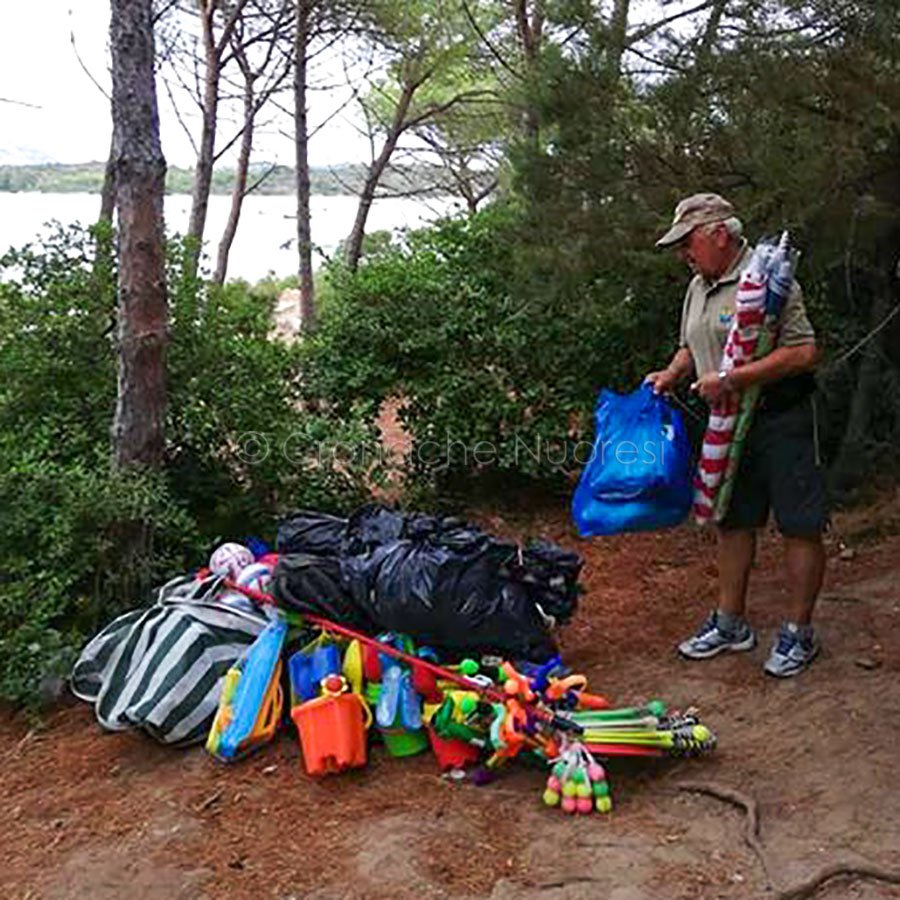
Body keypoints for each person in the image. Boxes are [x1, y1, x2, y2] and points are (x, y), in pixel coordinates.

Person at [646, 192, 828, 678]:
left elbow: (804, 352)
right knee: (733, 519)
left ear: (720, 235)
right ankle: (730, 624)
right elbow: (693, 343)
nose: (684, 253)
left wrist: (733, 380)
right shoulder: (698, 284)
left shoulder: (767, 281)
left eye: (689, 242)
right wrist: (671, 372)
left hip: (781, 416)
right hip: (727, 423)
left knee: (799, 523)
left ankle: (798, 633)